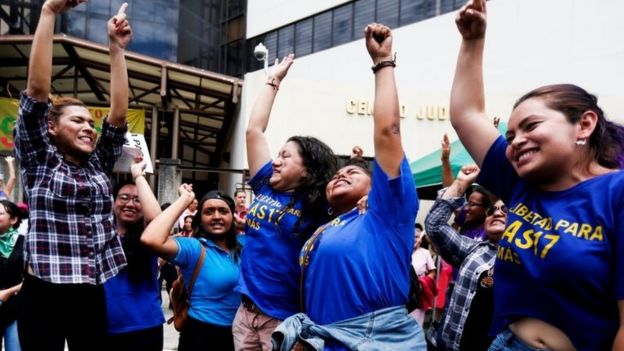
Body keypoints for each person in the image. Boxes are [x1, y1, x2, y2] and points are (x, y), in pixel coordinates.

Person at [450, 1, 624, 350]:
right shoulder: (519, 180)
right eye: (511, 136)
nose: (516, 142)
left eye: (531, 126)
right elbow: (467, 114)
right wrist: (473, 41)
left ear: (584, 124)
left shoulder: (616, 194)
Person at [273, 23, 425, 351]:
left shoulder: (385, 214)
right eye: (337, 175)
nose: (341, 175)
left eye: (354, 172)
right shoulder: (322, 229)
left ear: (379, 188)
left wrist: (383, 62)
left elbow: (388, 133)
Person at [13, 1, 132, 349]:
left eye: (91, 124)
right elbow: (36, 92)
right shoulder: (39, 160)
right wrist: (49, 12)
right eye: (77, 121)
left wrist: (116, 49)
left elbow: (119, 116)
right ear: (51, 127)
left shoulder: (96, 164)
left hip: (89, 290)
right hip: (42, 292)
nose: (88, 129)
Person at [233, 52, 337, 349]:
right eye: (276, 154)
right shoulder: (267, 185)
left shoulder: (319, 205)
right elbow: (254, 130)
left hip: (283, 319)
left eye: (285, 156)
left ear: (307, 171)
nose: (275, 161)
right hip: (245, 312)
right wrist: (273, 80)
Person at [142, 187, 243, 351]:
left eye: (223, 211)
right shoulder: (194, 248)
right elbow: (150, 238)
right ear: (200, 219)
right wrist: (184, 200)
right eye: (209, 211)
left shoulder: (244, 244)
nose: (216, 216)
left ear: (233, 216)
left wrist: (246, 224)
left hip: (241, 336)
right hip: (201, 336)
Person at [425, 165, 506, 351]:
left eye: (505, 209)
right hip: (444, 345)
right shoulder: (473, 249)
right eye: (492, 210)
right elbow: (435, 226)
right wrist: (461, 183)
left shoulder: (529, 260)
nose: (497, 212)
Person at [103, 160, 165, 350]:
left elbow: (156, 218)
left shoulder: (148, 237)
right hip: (102, 326)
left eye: (137, 200)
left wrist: (138, 175)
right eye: (124, 197)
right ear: (113, 202)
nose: (130, 204)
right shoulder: (99, 233)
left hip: (144, 326)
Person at [0, 201, 24, 351]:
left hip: (16, 311)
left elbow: (32, 279)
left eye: (0, 213)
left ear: (13, 219)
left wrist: (8, 292)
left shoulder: (24, 243)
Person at [410, 224, 436, 325]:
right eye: (411, 236)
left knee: (416, 323)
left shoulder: (425, 253)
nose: (414, 239)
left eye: (416, 237)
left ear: (421, 239)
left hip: (419, 291)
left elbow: (432, 271)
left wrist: (423, 283)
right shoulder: (402, 251)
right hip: (404, 291)